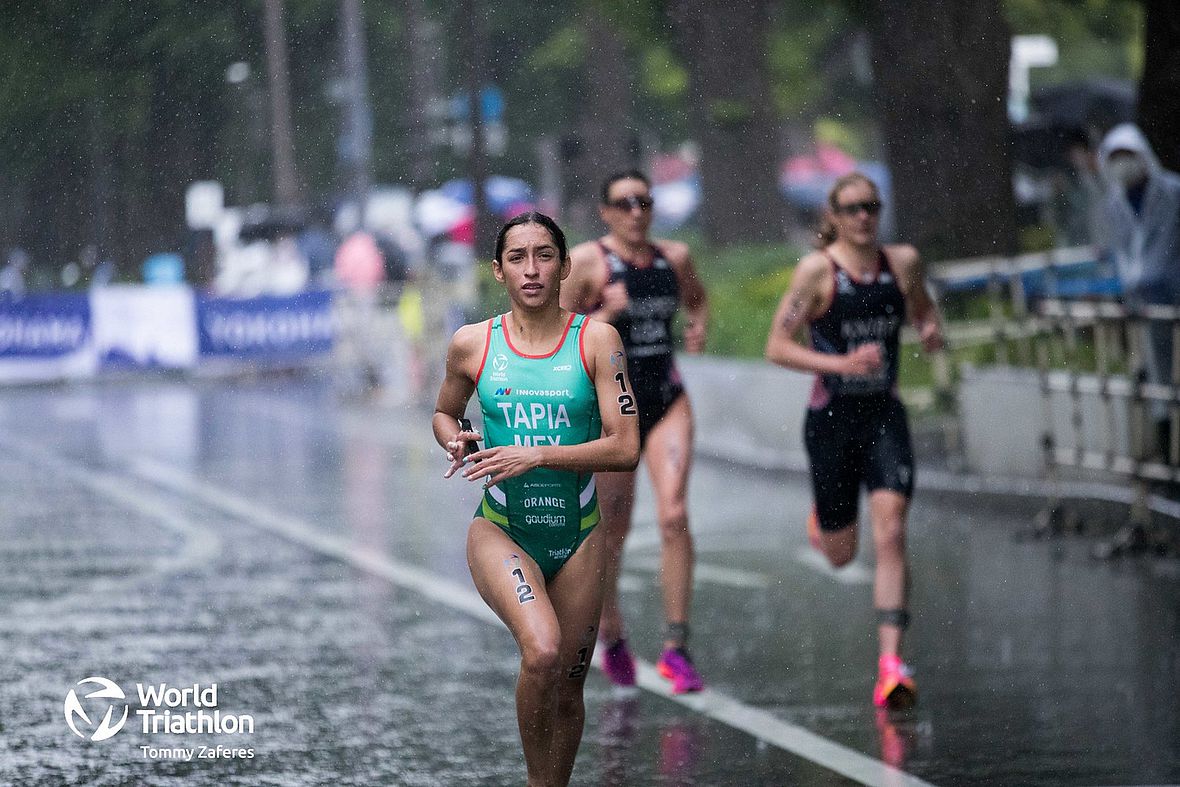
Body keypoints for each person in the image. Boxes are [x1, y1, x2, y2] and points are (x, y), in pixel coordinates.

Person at [433, 212, 640, 787]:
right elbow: (444, 411)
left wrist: (539, 453)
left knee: (570, 688)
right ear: (498, 270)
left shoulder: (597, 341)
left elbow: (626, 447)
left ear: (565, 267)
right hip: (502, 530)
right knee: (543, 651)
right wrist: (457, 441)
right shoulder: (473, 343)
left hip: (578, 536)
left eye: (545, 255)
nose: (532, 269)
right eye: (518, 257)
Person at [764, 172, 944, 709]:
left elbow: (924, 309)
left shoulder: (903, 263)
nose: (864, 217)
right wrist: (839, 362)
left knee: (891, 533)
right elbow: (776, 346)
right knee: (843, 556)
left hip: (885, 416)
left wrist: (930, 329)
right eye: (852, 209)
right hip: (832, 421)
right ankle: (825, 524)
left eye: (871, 207)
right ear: (834, 216)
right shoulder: (818, 272)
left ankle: (892, 664)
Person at [561, 170, 709, 694]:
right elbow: (554, 332)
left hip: (667, 396)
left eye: (644, 201)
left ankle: (676, 647)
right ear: (605, 212)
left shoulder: (675, 257)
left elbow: (697, 300)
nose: (636, 212)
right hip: (611, 409)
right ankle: (613, 631)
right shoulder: (586, 262)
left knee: (674, 515)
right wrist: (602, 312)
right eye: (623, 203)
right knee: (613, 533)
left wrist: (698, 325)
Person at [1096, 123, 1180, 459]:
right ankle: (1167, 454)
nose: (1121, 164)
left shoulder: (1173, 192)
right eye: (1114, 158)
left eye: (1126, 156)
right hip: (1143, 305)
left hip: (1172, 295)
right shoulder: (1114, 203)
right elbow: (1119, 253)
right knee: (1158, 378)